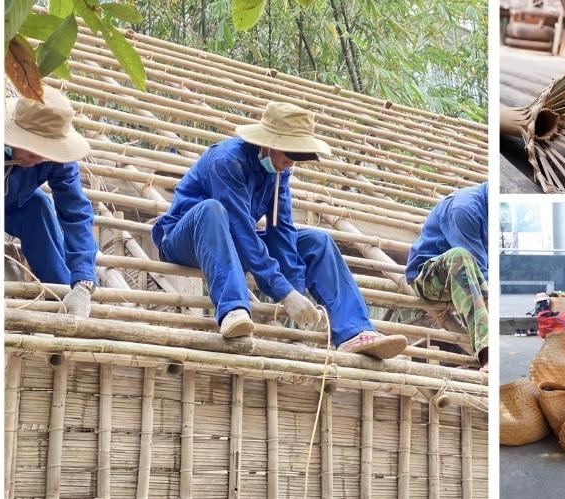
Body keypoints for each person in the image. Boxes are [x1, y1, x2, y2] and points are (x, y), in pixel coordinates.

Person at [152, 101, 408, 359]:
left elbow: (282, 231)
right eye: (289, 154)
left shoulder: (278, 171)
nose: (291, 164)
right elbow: (240, 229)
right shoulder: (227, 160)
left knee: (317, 241)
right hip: (186, 239)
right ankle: (233, 308)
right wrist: (282, 290)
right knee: (212, 210)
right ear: (269, 143)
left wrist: (294, 290)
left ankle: (353, 331)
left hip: (231, 245)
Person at [5, 88, 98, 317]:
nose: (38, 158)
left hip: (12, 206)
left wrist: (84, 282)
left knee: (38, 206)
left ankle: (61, 298)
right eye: (32, 147)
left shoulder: (57, 161)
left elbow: (75, 212)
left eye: (44, 150)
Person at [405, 183, 488, 372]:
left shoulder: (492, 209)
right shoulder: (465, 209)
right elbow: (479, 272)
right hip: (429, 279)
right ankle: (487, 352)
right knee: (460, 256)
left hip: (465, 282)